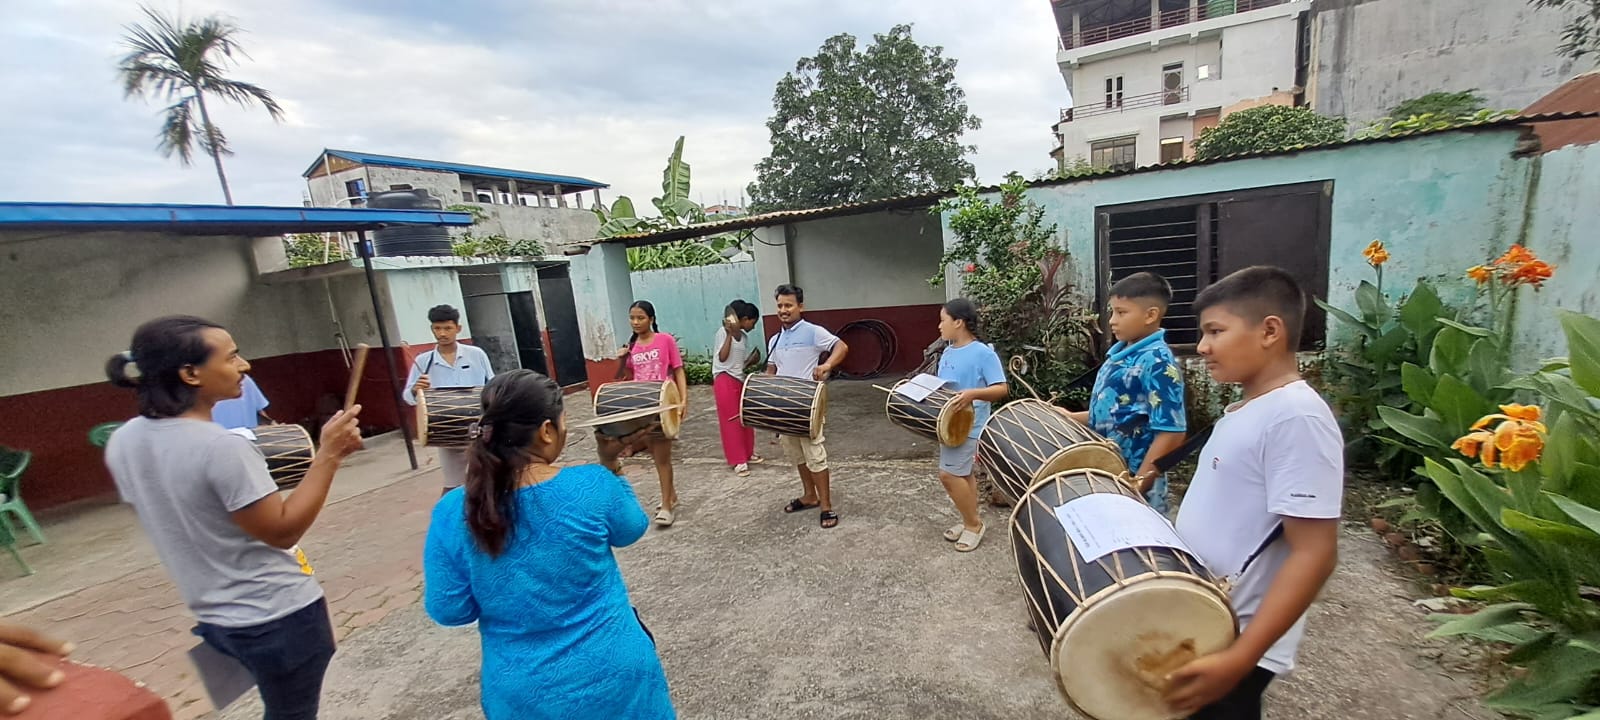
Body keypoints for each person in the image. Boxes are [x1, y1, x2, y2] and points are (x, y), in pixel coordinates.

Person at [104, 316, 364, 720]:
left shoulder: (124, 440)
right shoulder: (222, 447)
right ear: (191, 373)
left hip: (213, 619)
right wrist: (329, 454)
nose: (244, 366)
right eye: (232, 357)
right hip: (278, 617)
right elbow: (282, 530)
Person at [423, 370, 675, 720]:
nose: (566, 430)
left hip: (523, 695)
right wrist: (610, 463)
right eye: (563, 422)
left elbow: (450, 610)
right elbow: (632, 528)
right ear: (545, 431)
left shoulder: (453, 511)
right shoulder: (592, 485)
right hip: (617, 677)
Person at [1162, 266, 1343, 719]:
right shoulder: (1248, 407)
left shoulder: (1296, 417)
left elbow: (1315, 553)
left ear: (1269, 331)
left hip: (1236, 638)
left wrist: (1239, 658)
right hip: (1208, 621)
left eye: (1215, 331)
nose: (1202, 347)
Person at [1064, 272, 1187, 513]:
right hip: (1107, 474)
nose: (1111, 320)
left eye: (1121, 312)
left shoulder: (1158, 361)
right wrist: (1069, 417)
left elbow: (1172, 432)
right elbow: (1114, 414)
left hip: (1135, 484)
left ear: (1150, 315)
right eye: (1112, 311)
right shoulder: (1119, 355)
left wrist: (1137, 484)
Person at [765, 284, 849, 529]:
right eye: (780, 305)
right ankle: (809, 495)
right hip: (783, 406)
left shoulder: (813, 331)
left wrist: (827, 366)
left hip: (807, 404)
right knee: (796, 455)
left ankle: (826, 506)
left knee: (815, 455)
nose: (784, 310)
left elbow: (841, 346)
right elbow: (771, 370)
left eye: (788, 305)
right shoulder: (775, 339)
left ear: (800, 306)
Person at [931, 299, 1009, 552]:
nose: (939, 325)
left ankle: (974, 525)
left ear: (958, 322)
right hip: (948, 426)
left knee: (948, 475)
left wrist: (972, 394)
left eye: (943, 320)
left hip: (970, 426)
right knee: (963, 474)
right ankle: (968, 520)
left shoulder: (983, 353)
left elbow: (1001, 388)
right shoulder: (948, 351)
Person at [607, 300, 689, 526]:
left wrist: (683, 401)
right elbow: (621, 375)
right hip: (640, 407)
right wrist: (622, 358)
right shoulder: (632, 347)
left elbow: (678, 371)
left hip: (663, 405)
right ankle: (671, 496)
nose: (635, 322)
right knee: (655, 453)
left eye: (640, 317)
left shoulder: (665, 341)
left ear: (651, 319)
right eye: (632, 318)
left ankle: (666, 506)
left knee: (662, 457)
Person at [403, 305, 494, 495]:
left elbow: (492, 386)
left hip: (478, 430)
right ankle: (449, 520)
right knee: (453, 486)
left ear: (458, 329)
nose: (442, 333)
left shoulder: (476, 354)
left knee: (488, 480)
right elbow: (408, 397)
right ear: (432, 329)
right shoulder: (423, 361)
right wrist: (415, 389)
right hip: (446, 433)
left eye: (447, 328)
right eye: (437, 328)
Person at [712, 300, 766, 477]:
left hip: (738, 379)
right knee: (731, 421)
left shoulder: (744, 337)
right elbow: (722, 357)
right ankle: (738, 460)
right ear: (744, 319)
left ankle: (748, 453)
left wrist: (751, 361)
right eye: (753, 322)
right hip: (724, 379)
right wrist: (728, 334)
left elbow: (737, 364)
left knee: (745, 417)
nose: (754, 326)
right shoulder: (722, 333)